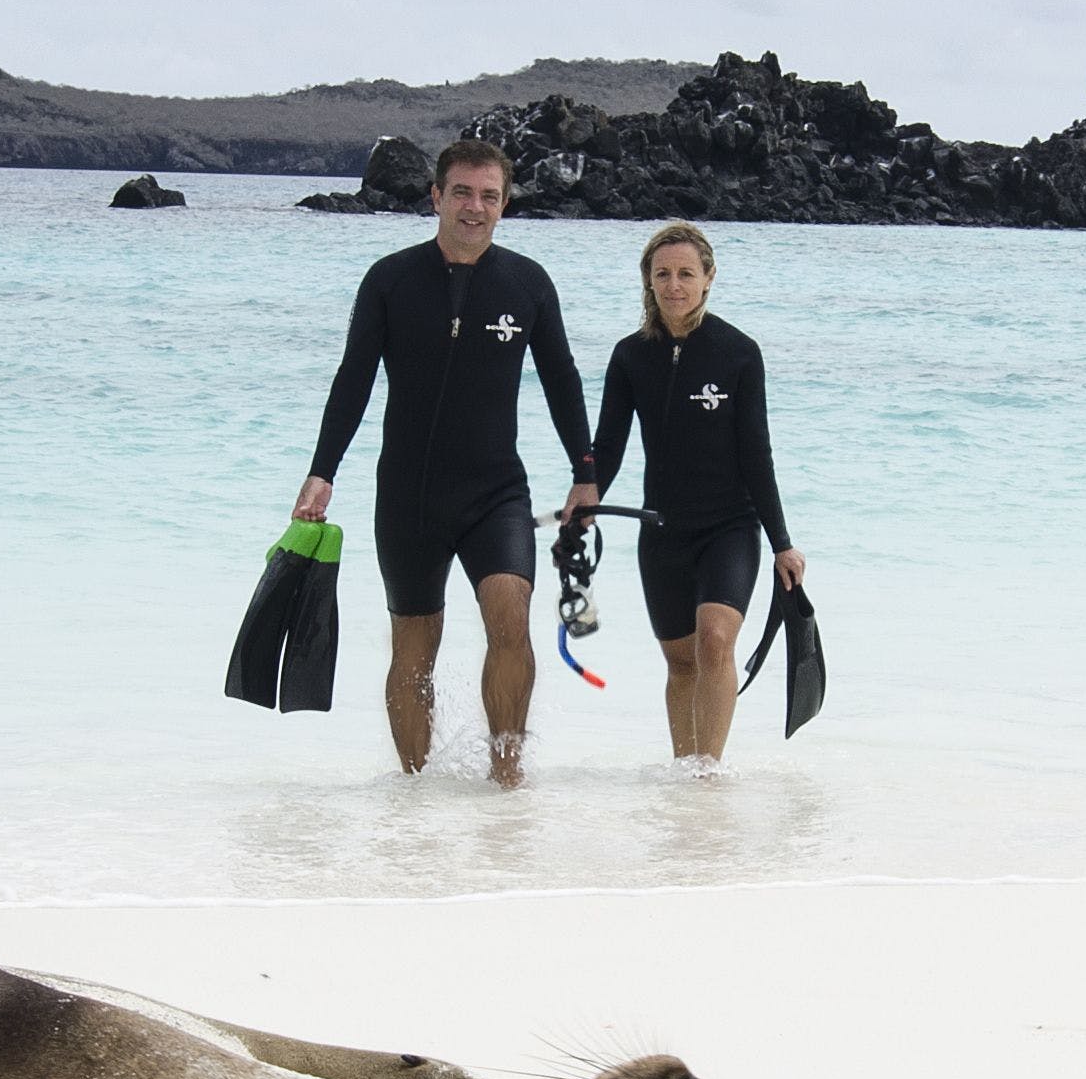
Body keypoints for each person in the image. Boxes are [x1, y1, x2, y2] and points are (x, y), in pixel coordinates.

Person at [295, 138, 599, 786]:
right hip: (409, 495)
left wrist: (586, 471)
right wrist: (324, 472)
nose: (474, 207)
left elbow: (562, 379)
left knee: (511, 619)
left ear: (504, 203)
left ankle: (506, 781)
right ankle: (413, 790)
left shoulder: (527, 283)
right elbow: (352, 380)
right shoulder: (391, 280)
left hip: (495, 491)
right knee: (413, 652)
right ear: (436, 196)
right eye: (462, 192)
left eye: (489, 195)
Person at [579, 220, 805, 761]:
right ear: (647, 282)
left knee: (715, 641)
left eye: (686, 273)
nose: (674, 285)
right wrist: (585, 495)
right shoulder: (630, 356)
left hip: (729, 526)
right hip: (661, 531)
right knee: (681, 663)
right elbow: (607, 444)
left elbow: (757, 452)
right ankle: (686, 777)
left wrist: (781, 541)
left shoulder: (738, 353)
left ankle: (710, 773)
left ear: (708, 279)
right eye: (663, 274)